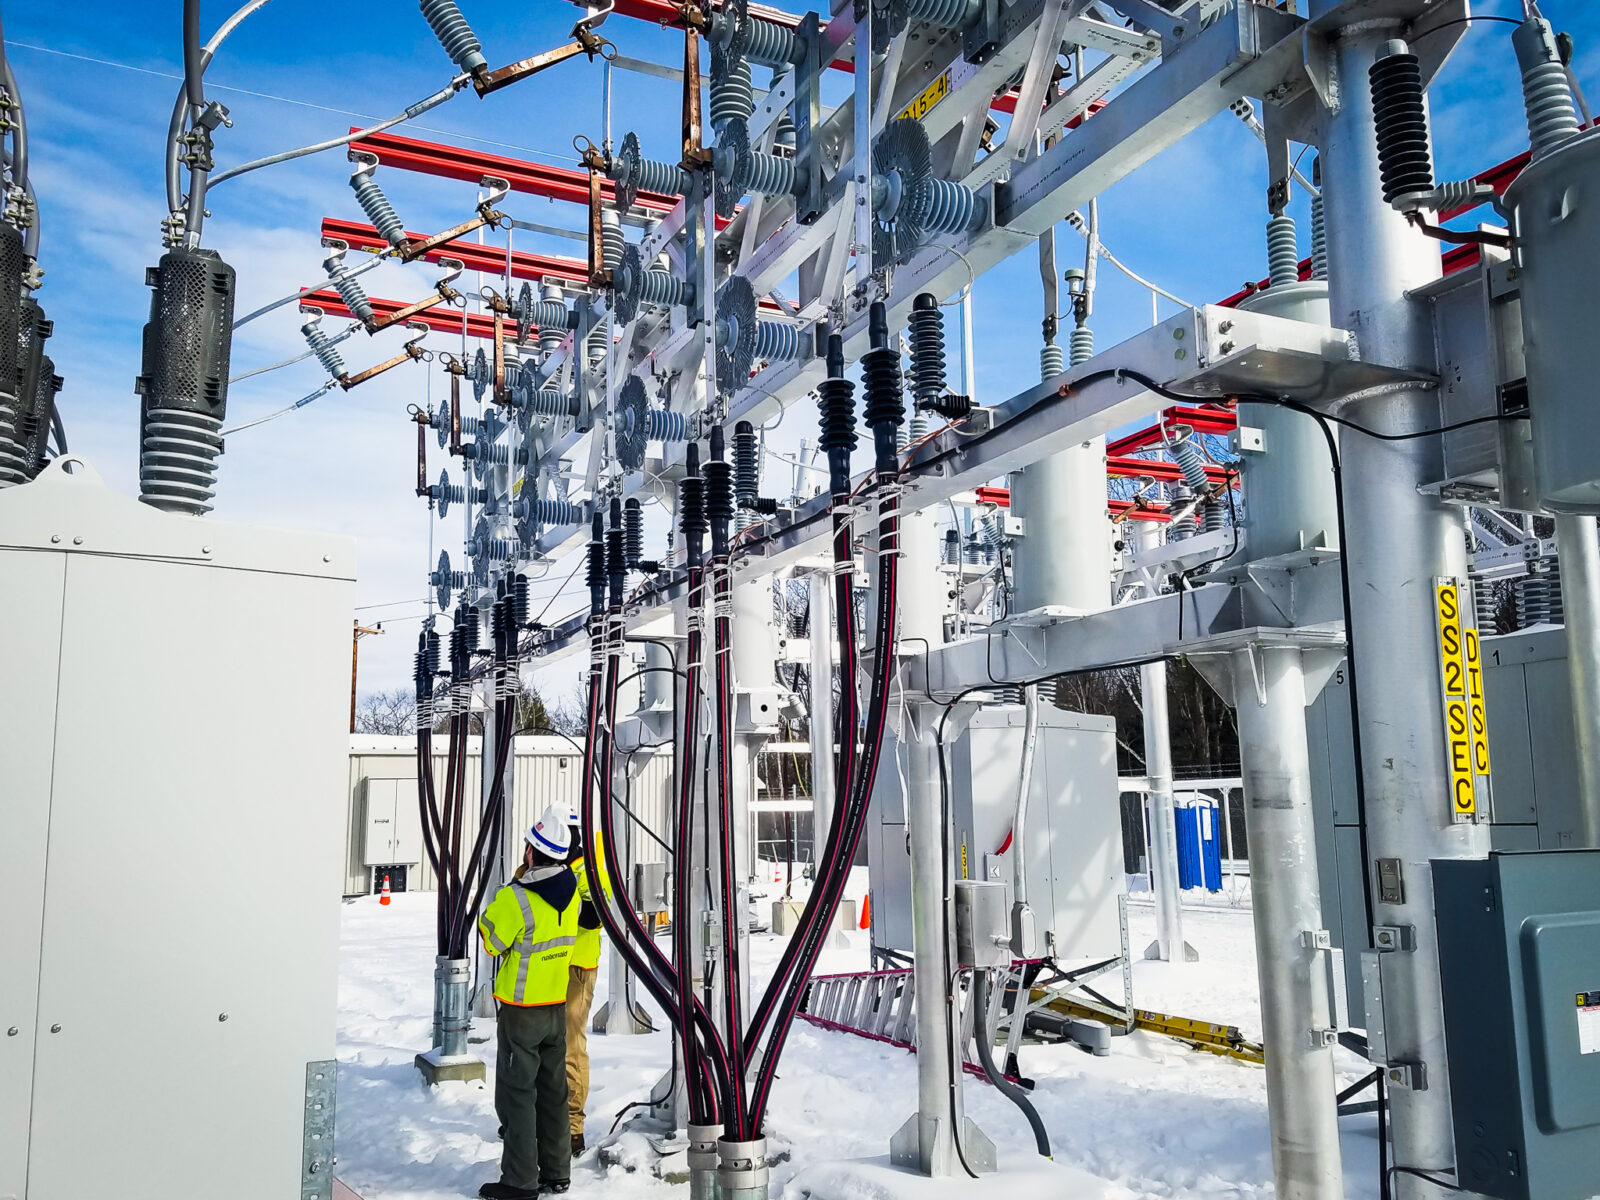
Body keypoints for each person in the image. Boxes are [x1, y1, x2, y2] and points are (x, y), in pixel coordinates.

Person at [477, 807, 581, 1200]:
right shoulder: (570, 891)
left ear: (532, 853)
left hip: (522, 1013)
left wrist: (506, 897)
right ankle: (557, 1171)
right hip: (556, 1007)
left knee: (518, 1095)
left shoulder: (516, 898)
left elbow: (492, 939)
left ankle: (519, 1181)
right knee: (553, 1092)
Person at [565, 811, 608, 1156]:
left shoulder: (587, 868)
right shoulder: (567, 865)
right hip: (550, 968)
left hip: (577, 969)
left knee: (570, 1048)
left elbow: (594, 914)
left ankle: (572, 1128)